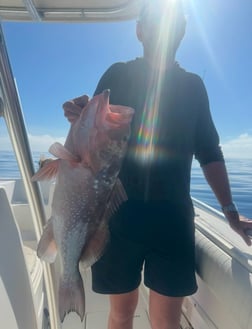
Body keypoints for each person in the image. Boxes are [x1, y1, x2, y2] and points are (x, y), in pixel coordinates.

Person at [63, 1, 252, 328]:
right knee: (121, 315)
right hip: (117, 218)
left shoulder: (194, 87)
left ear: (182, 31)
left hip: (172, 220)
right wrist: (78, 114)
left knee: (167, 323)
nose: (165, 28)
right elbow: (88, 136)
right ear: (139, 30)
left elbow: (210, 152)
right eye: (156, 21)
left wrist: (230, 211)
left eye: (173, 22)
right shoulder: (117, 74)